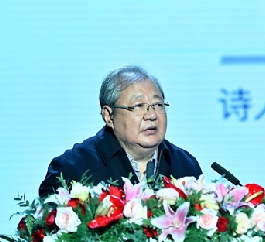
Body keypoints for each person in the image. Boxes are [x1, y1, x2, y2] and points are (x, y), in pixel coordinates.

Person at [38, 65, 201, 197]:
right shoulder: (72, 168)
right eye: (138, 106)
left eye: (158, 105)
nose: (152, 115)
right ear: (109, 116)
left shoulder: (186, 165)